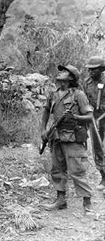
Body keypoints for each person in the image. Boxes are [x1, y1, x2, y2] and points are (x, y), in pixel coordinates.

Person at [40, 64, 94, 213]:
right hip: (56, 137)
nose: (61, 73)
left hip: (73, 138)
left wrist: (75, 117)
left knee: (77, 171)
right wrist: (43, 129)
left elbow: (89, 117)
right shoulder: (53, 94)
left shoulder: (79, 95)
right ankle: (60, 200)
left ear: (71, 78)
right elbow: (45, 112)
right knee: (57, 170)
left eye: (65, 71)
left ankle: (87, 203)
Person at [82, 56, 105, 191]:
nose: (90, 72)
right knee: (97, 148)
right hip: (94, 119)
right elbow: (85, 100)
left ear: (101, 69)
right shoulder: (86, 82)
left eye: (93, 69)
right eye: (89, 69)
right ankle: (103, 176)